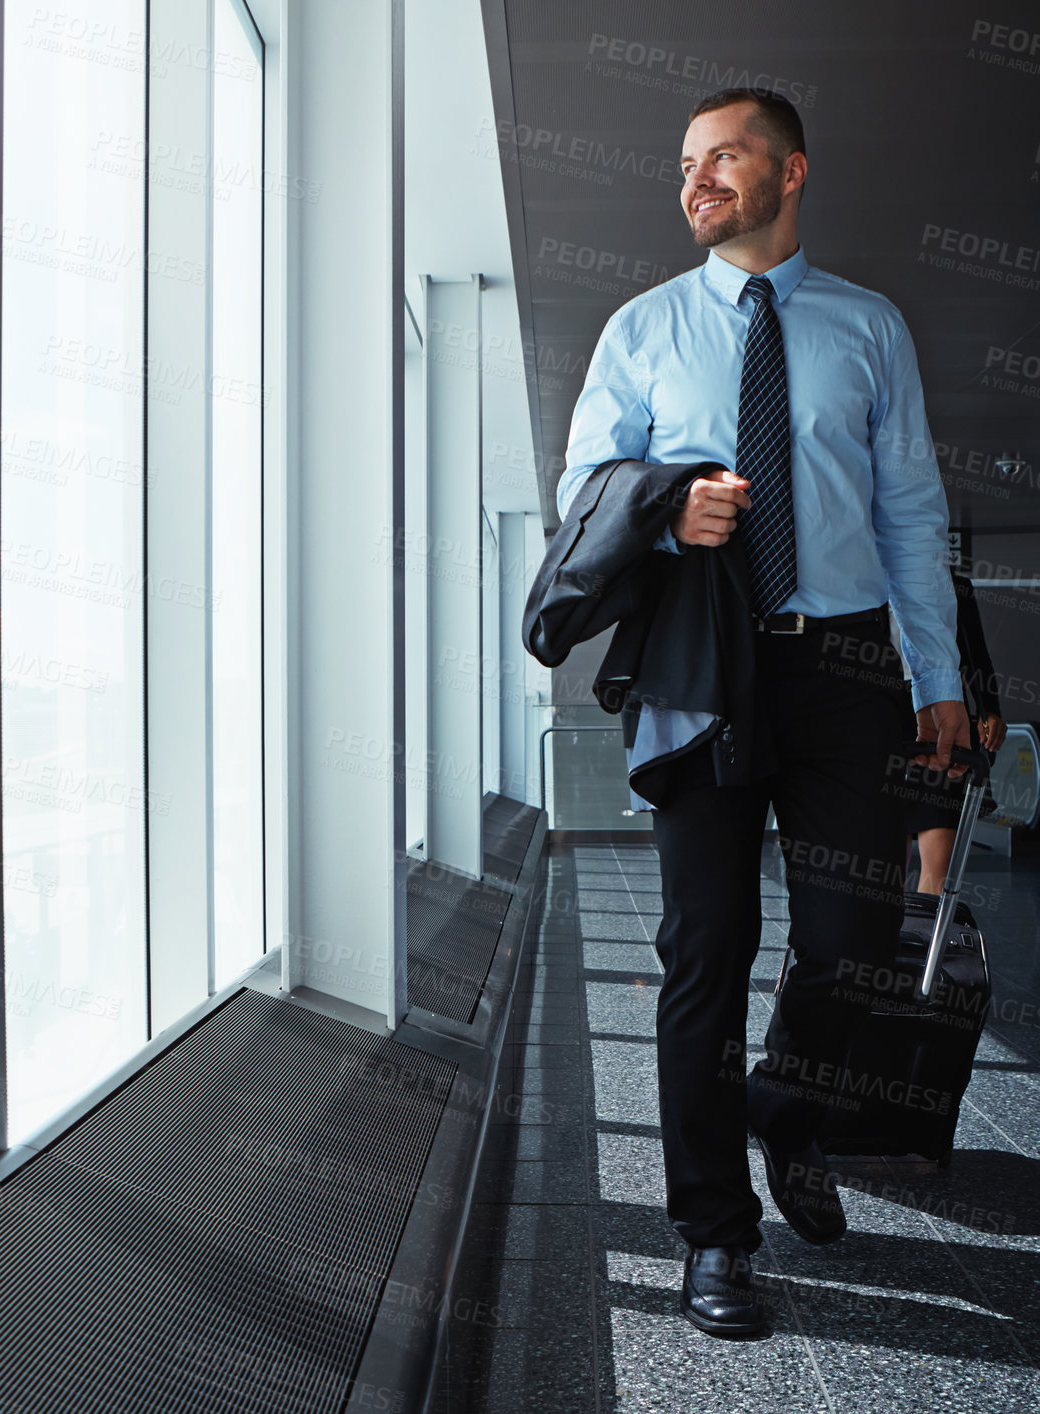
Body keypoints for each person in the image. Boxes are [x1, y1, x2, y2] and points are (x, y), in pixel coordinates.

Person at [556, 86, 969, 1338]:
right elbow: (583, 482)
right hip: (703, 661)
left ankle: (788, 1120)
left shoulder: (867, 327)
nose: (695, 179)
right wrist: (665, 506)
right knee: (706, 950)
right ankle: (712, 1238)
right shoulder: (641, 328)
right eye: (684, 163)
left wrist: (939, 677)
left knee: (853, 943)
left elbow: (909, 509)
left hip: (846, 669)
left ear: (791, 169)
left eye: (721, 156)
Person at [898, 567, 1006, 894]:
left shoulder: (954, 585)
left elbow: (976, 656)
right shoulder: (861, 580)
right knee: (883, 851)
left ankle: (926, 941)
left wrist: (990, 708)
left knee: (939, 849)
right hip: (881, 707)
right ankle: (884, 942)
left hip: (941, 706)